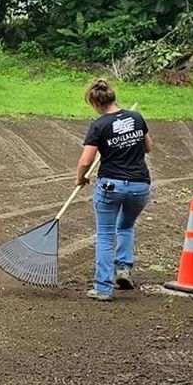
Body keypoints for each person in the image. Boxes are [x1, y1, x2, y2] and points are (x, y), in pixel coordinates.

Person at [76, 78, 151, 302]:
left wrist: (81, 177)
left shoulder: (99, 125)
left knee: (106, 235)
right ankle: (123, 269)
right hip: (140, 186)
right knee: (126, 226)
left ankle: (103, 288)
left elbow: (85, 161)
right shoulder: (136, 118)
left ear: (95, 103)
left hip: (110, 186)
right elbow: (148, 147)